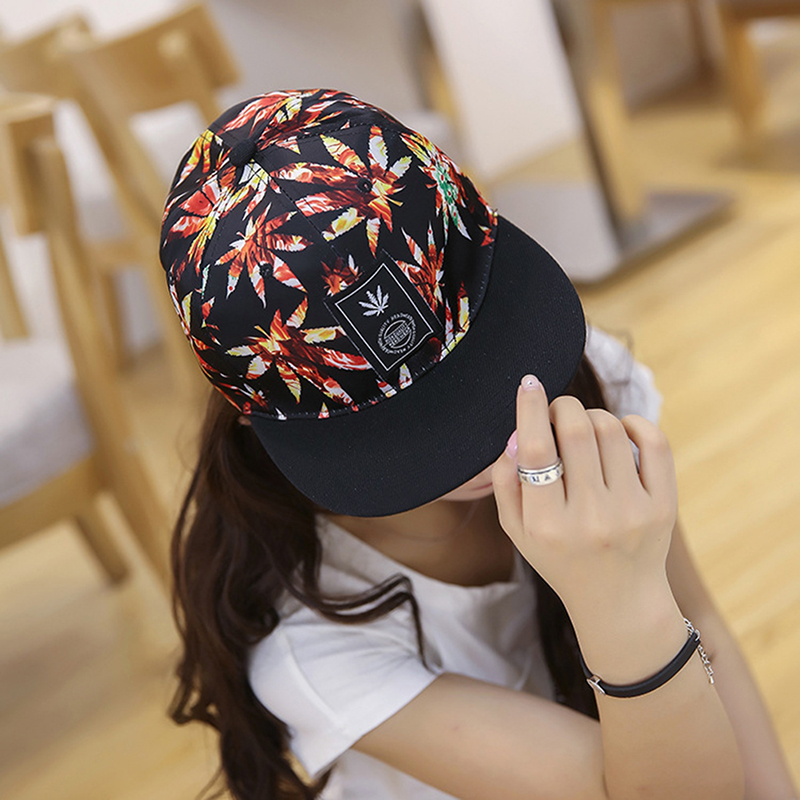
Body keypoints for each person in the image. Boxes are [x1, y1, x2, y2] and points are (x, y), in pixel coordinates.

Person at [160, 89, 796, 800]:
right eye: (417, 428)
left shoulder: (578, 381)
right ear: (256, 418)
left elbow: (703, 628)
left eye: (489, 368)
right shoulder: (310, 639)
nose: (496, 442)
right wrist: (616, 595)